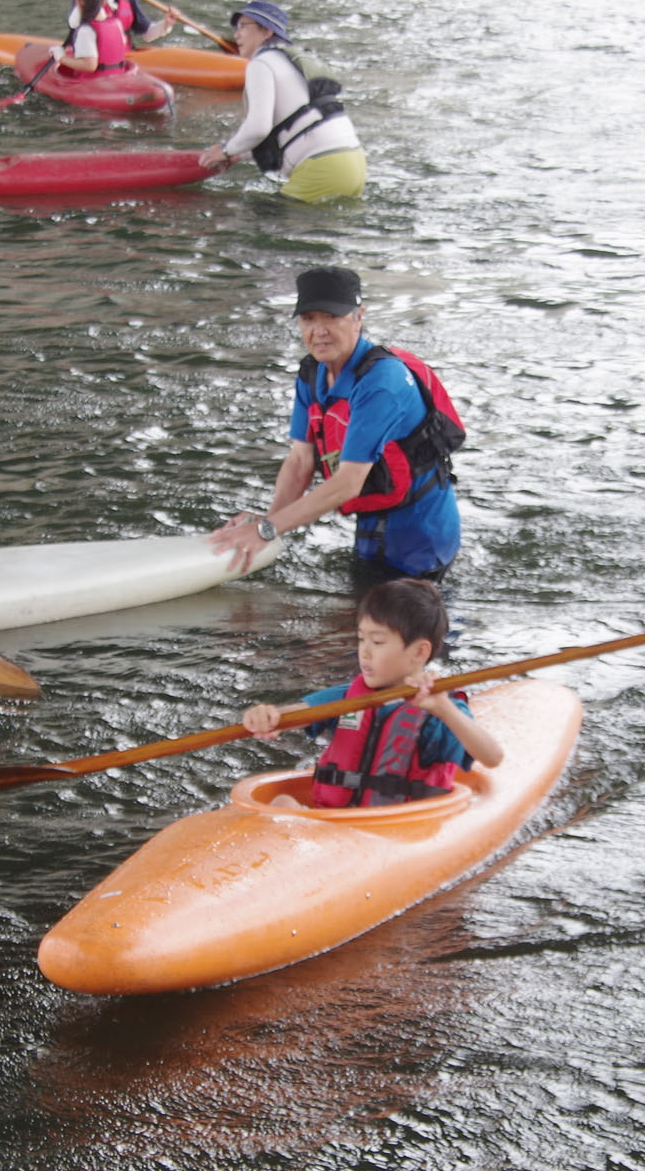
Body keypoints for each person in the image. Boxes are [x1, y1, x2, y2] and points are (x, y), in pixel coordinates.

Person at [209, 266, 463, 582]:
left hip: (421, 539)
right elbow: (301, 461)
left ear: (359, 316)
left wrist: (266, 530)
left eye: (331, 317)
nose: (319, 330)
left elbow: (348, 483)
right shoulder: (312, 374)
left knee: (396, 627)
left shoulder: (382, 383)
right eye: (308, 319)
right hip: (373, 528)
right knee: (356, 622)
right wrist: (267, 522)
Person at [239, 579, 504, 808]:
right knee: (282, 803)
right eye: (361, 638)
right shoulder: (347, 697)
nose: (364, 651)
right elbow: (291, 716)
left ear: (419, 652)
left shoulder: (437, 709)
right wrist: (268, 716)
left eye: (377, 642)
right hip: (333, 819)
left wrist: (445, 710)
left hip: (397, 828)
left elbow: (492, 757)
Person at [197, 0, 364, 204]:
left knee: (263, 222)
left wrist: (224, 151)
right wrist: (237, 155)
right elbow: (292, 126)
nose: (236, 34)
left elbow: (258, 128)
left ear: (266, 32)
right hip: (354, 163)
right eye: (235, 28)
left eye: (243, 26)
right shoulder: (289, 61)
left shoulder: (261, 63)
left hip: (322, 166)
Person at [51, 0, 129, 76]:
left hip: (96, 84)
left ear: (78, 2)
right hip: (118, 77)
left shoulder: (86, 30)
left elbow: (90, 66)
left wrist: (62, 58)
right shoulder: (117, 23)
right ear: (104, 1)